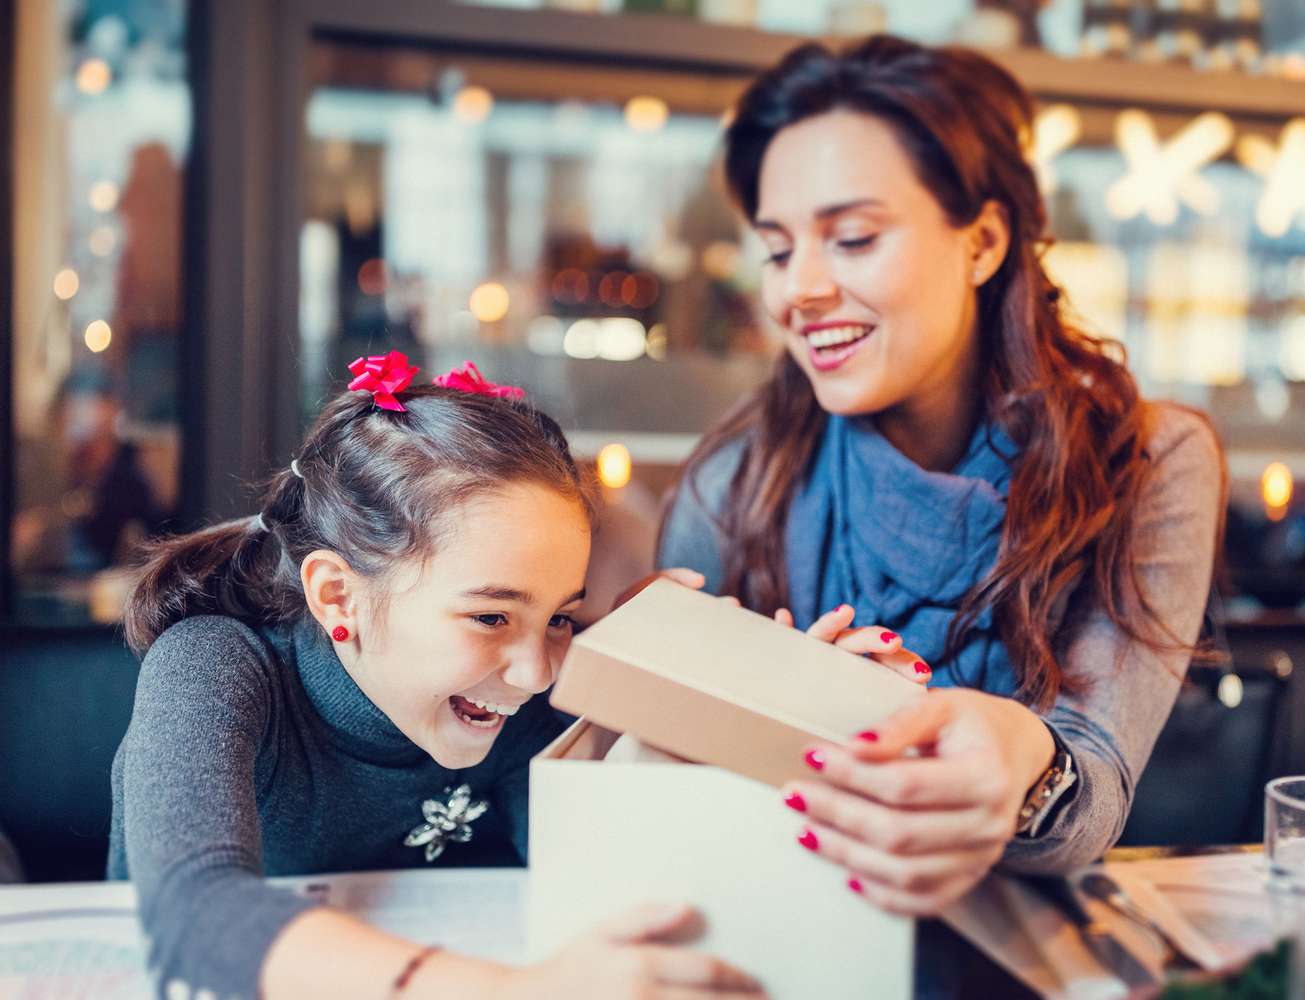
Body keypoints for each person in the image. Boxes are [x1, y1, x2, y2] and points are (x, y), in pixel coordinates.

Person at [658, 36, 1225, 996]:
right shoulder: (738, 477)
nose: (799, 290)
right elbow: (668, 797)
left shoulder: (1148, 460)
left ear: (984, 241)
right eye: (778, 248)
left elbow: (1094, 783)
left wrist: (1021, 758)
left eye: (853, 237)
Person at [110, 355, 771, 1000]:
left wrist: (720, 706)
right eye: (490, 616)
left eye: (559, 618)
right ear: (338, 596)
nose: (536, 672)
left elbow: (609, 888)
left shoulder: (518, 694)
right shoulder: (214, 666)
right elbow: (193, 910)